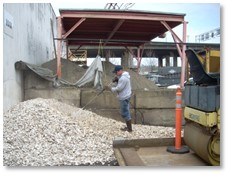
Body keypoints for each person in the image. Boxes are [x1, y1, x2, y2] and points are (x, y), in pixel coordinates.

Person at [108, 65, 132, 132]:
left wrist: (110, 89)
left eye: (116, 72)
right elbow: (120, 83)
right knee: (126, 111)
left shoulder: (123, 78)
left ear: (120, 71)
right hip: (127, 95)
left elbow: (119, 88)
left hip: (124, 97)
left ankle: (129, 129)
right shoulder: (124, 76)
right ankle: (129, 128)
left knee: (125, 113)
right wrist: (117, 79)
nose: (115, 73)